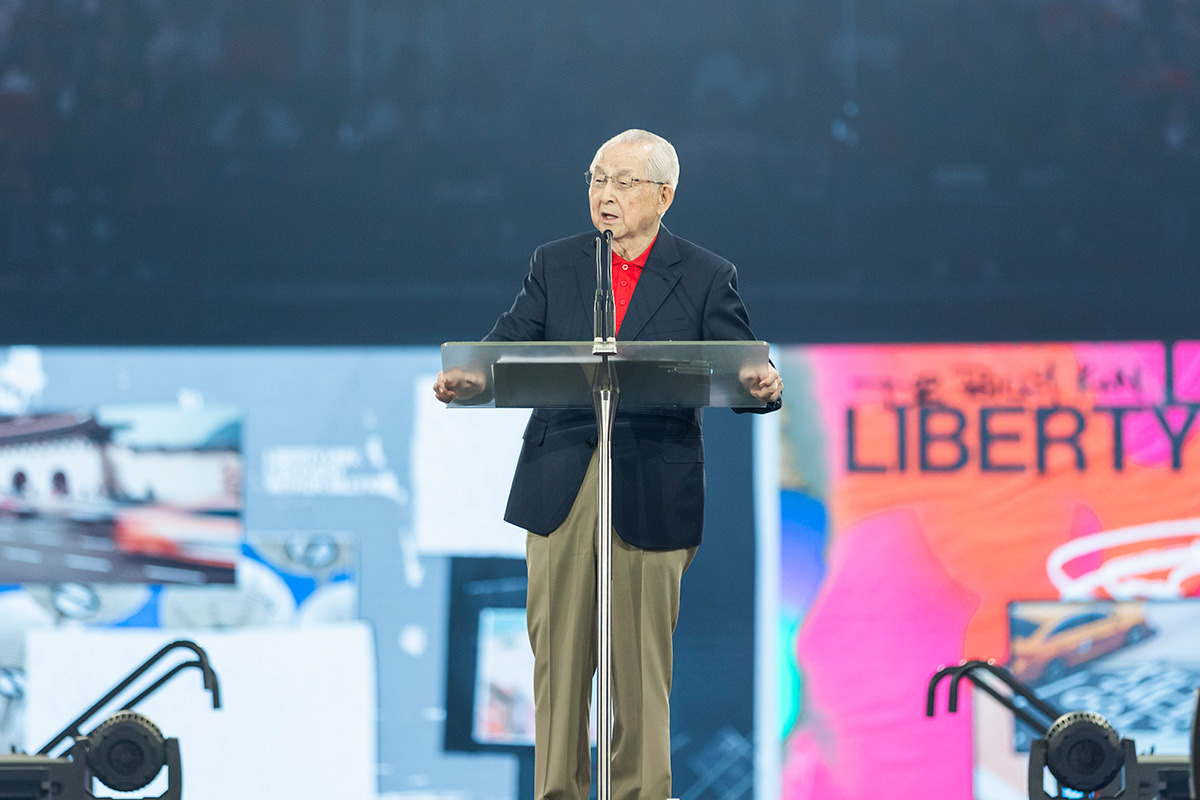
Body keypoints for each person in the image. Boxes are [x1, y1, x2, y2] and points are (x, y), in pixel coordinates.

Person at [433, 128, 782, 800]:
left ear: (664, 195)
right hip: (561, 478)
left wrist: (763, 382)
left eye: (624, 182)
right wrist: (471, 376)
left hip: (653, 479)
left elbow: (742, 367)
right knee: (558, 665)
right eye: (597, 179)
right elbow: (509, 343)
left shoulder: (707, 275)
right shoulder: (558, 264)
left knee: (639, 672)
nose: (606, 194)